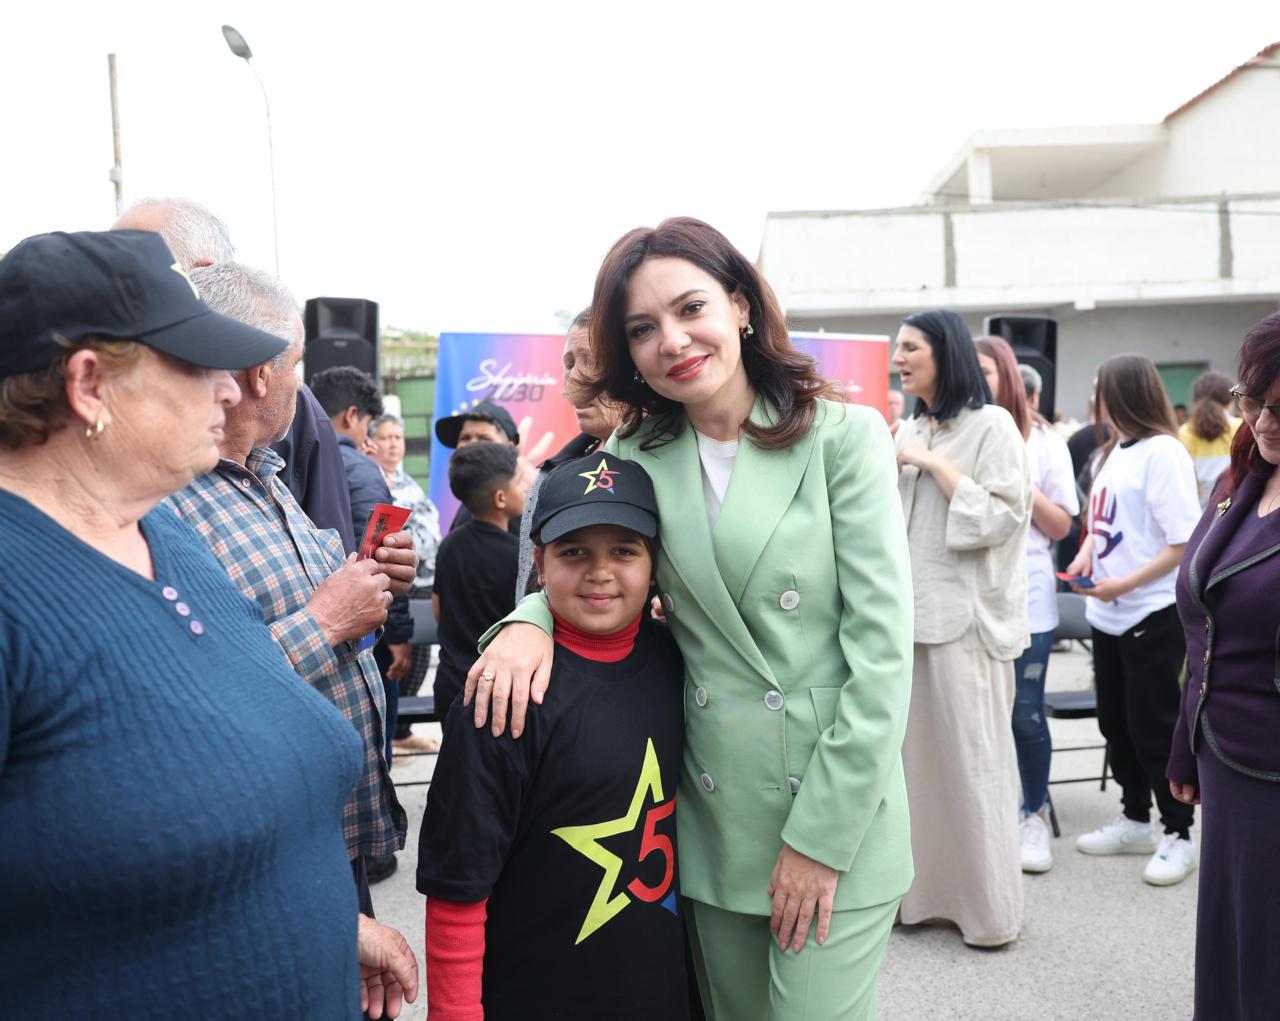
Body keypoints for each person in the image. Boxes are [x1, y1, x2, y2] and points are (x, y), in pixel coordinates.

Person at [467, 217, 913, 1020]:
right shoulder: (632, 455)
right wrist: (528, 619)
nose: (672, 340)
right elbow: (582, 561)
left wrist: (820, 839)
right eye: (642, 328)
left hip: (830, 806)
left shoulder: (844, 437)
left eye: (691, 308)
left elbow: (882, 657)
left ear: (740, 305)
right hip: (715, 816)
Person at [0, 229, 417, 1017]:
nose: (230, 391)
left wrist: (322, 917)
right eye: (195, 363)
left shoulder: (168, 538)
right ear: (90, 385)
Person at [164, 264, 411, 905]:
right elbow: (187, 697)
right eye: (297, 363)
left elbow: (307, 601)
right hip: (269, 858)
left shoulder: (267, 473)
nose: (303, 384)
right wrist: (326, 622)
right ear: (261, 373)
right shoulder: (167, 504)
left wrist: (374, 581)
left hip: (328, 836)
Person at [418, 455, 690, 1021]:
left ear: (655, 562)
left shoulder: (681, 663)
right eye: (574, 552)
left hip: (663, 988)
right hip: (537, 994)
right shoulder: (504, 695)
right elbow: (458, 884)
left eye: (624, 551)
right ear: (539, 563)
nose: (600, 572)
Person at [892, 311, 1031, 946]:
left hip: (968, 627)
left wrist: (931, 463)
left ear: (944, 353)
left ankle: (988, 914)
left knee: (975, 768)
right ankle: (920, 901)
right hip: (909, 622)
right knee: (917, 773)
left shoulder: (992, 425)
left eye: (910, 347)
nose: (898, 359)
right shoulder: (910, 426)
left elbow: (1003, 516)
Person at [112, 195, 356, 550]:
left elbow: (333, 552)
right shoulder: (114, 389)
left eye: (132, 272)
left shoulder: (291, 401)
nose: (114, 290)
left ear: (201, 273)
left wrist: (367, 572)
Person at [1167, 313, 1280, 1017]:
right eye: (1255, 399)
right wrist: (1187, 741)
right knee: (1232, 937)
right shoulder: (1238, 481)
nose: (1265, 421)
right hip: (1224, 753)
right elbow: (1201, 624)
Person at [1064, 354, 1201, 885]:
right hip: (1106, 612)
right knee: (1115, 724)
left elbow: (1182, 542)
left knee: (1154, 726)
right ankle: (1135, 819)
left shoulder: (1163, 452)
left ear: (1125, 393)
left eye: (1101, 390)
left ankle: (1178, 832)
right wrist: (1085, 559)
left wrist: (1123, 583)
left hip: (1149, 612)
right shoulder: (1110, 452)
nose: (1094, 400)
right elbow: (1101, 527)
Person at [976, 336, 1079, 874]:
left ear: (1009, 377)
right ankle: (985, 820)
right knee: (974, 718)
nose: (976, 379)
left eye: (986, 370)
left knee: (1024, 713)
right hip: (969, 601)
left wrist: (1019, 481)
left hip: (1027, 599)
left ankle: (1032, 812)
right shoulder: (952, 434)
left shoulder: (1041, 441)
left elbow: (1061, 526)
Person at [516, 307, 625, 600]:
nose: (573, 379)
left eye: (591, 360)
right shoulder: (550, 476)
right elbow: (529, 587)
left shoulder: (678, 463)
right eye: (569, 363)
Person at [369, 412, 443, 754]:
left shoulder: (406, 479)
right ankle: (394, 732)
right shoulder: (372, 479)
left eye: (397, 437)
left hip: (426, 578)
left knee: (420, 659)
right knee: (400, 660)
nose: (393, 444)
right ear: (371, 443)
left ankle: (401, 732)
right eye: (385, 437)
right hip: (401, 584)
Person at [432, 442, 524, 712]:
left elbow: (438, 610)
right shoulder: (520, 555)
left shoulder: (449, 545)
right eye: (518, 483)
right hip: (499, 689)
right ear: (500, 498)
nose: (524, 490)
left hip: (451, 686)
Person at [435, 399, 525, 534]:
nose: (472, 446)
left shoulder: (521, 508)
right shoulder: (471, 505)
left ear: (509, 448)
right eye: (465, 438)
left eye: (484, 439)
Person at [1179, 370, 1241, 508]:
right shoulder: (1242, 428)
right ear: (1228, 401)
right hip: (1234, 501)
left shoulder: (1183, 433)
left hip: (1197, 505)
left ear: (1195, 401)